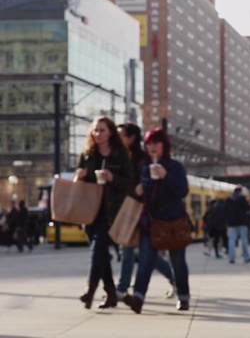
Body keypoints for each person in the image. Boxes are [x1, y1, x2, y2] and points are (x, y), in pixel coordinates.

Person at [122, 128, 190, 313]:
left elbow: (182, 191)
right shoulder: (145, 168)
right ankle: (138, 298)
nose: (152, 147)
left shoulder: (175, 167)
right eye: (149, 143)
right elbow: (145, 195)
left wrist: (165, 176)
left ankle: (183, 296)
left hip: (173, 223)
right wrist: (138, 191)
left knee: (178, 263)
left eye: (156, 143)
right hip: (151, 223)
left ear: (164, 145)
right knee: (146, 260)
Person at [75, 116, 133, 309]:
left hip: (110, 211)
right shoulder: (87, 155)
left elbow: (129, 183)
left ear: (110, 133)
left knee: (97, 249)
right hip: (89, 209)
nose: (97, 134)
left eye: (102, 130)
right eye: (95, 130)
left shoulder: (120, 155)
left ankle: (90, 291)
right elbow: (79, 181)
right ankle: (110, 293)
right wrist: (79, 177)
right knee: (100, 253)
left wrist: (112, 178)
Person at [115, 123, 175, 302]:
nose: (118, 139)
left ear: (132, 137)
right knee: (130, 250)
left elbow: (144, 184)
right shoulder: (120, 157)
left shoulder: (142, 158)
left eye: (122, 136)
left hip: (142, 210)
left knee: (143, 253)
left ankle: (173, 279)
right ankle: (123, 289)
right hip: (128, 206)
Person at [225, 187, 250, 264]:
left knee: (232, 240)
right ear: (240, 192)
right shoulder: (242, 199)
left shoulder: (229, 200)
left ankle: (231, 258)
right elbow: (247, 208)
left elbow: (226, 211)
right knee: (244, 240)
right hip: (242, 222)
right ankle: (246, 257)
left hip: (232, 223)